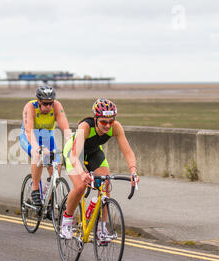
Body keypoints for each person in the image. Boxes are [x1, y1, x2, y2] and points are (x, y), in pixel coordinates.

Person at [60, 98, 140, 239]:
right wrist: (82, 173)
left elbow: (128, 152)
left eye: (111, 121)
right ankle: (66, 222)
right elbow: (73, 156)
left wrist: (133, 171)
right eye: (104, 121)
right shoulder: (85, 127)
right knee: (80, 186)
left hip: (94, 152)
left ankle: (101, 229)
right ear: (96, 119)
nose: (108, 125)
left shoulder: (116, 127)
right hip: (74, 152)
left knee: (106, 183)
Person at [19, 85, 72, 212]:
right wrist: (37, 149)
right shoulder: (30, 107)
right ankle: (35, 190)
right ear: (38, 102)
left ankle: (49, 201)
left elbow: (66, 129)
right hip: (29, 137)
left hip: (47, 138)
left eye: (51, 103)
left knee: (57, 166)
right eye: (45, 104)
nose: (49, 107)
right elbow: (29, 131)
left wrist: (72, 143)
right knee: (38, 156)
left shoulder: (57, 106)